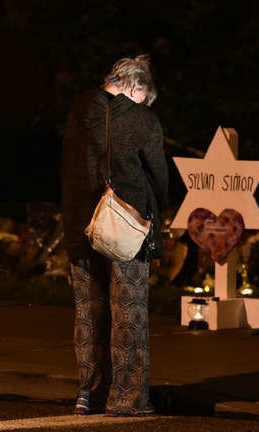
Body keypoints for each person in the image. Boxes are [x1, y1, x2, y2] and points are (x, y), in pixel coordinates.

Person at [60, 54, 169, 417]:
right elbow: (159, 178)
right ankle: (127, 399)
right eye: (143, 97)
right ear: (138, 87)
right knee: (128, 313)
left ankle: (88, 392)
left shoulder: (77, 112)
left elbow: (66, 166)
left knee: (88, 312)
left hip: (80, 224)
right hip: (126, 229)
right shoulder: (144, 120)